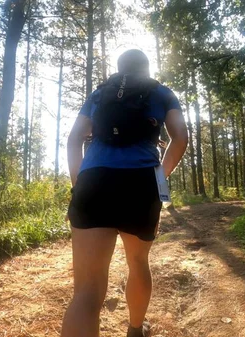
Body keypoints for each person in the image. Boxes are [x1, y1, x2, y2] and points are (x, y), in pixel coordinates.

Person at [61, 49, 188, 337]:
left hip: (94, 182)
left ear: (119, 69)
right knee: (138, 261)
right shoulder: (161, 92)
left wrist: (78, 184)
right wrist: (160, 176)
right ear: (147, 68)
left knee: (87, 291)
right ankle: (135, 329)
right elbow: (180, 136)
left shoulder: (99, 93)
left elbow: (73, 140)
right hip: (140, 183)